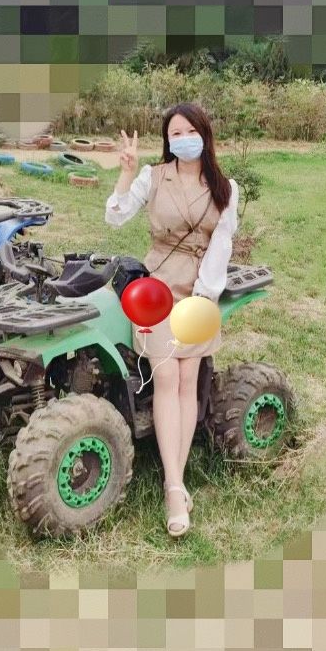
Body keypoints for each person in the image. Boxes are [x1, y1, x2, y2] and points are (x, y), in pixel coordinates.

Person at [104, 102, 239, 537]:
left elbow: (221, 245)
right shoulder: (154, 176)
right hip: (156, 289)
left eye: (190, 131)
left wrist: (203, 297)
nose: (183, 139)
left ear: (204, 134)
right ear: (168, 140)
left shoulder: (225, 188)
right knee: (166, 378)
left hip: (199, 290)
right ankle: (175, 487)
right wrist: (126, 173)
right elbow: (115, 216)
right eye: (175, 133)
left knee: (186, 379)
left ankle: (174, 484)